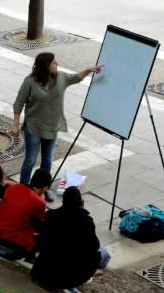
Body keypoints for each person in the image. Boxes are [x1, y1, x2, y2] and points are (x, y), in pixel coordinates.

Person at [11, 53, 102, 198]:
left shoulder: (60, 78)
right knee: (30, 160)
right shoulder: (30, 82)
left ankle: (43, 189)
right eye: (54, 63)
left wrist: (89, 70)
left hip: (52, 127)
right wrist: (15, 125)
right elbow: (18, 104)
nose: (57, 64)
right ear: (46, 66)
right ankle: (22, 189)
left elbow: (76, 78)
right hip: (33, 127)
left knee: (47, 160)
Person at [31, 186, 110, 293]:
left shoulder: (51, 215)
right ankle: (70, 281)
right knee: (99, 254)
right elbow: (94, 246)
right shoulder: (86, 222)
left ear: (63, 201)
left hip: (41, 271)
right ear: (80, 202)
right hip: (65, 275)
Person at [0, 168, 52, 261]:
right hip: (12, 244)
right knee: (46, 235)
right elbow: (39, 227)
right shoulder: (39, 202)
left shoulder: (12, 188)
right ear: (45, 187)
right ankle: (30, 259)